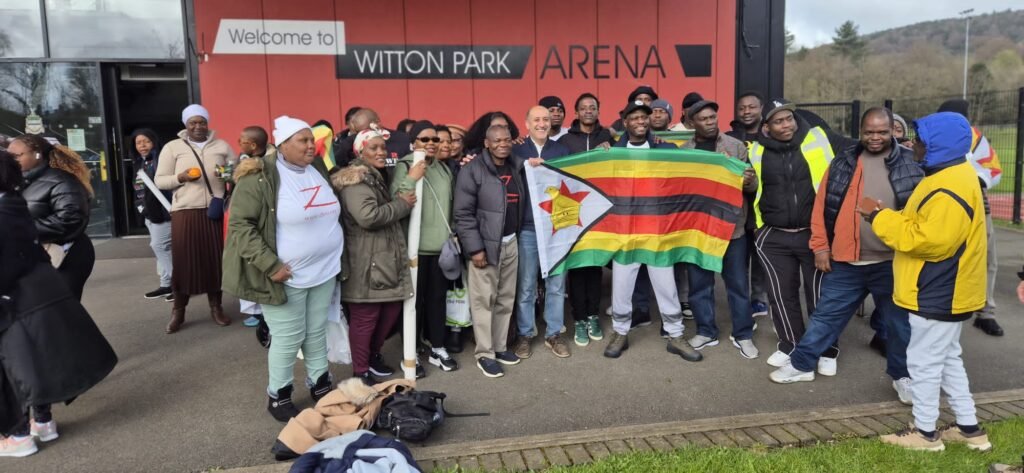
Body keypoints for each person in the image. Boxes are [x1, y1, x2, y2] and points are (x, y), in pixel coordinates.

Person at [768, 108, 923, 404]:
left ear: (893, 131)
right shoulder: (843, 161)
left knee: (898, 324)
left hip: (892, 262)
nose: (875, 137)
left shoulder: (911, 163)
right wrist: (821, 247)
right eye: (869, 132)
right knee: (826, 317)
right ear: (860, 131)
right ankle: (802, 365)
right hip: (847, 260)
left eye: (882, 132)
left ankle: (903, 377)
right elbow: (821, 206)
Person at [872, 112, 991, 452]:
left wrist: (880, 219)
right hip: (947, 288)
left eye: (920, 140)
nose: (913, 144)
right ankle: (969, 430)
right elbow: (923, 224)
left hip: (938, 289)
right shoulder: (952, 175)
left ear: (938, 146)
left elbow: (929, 241)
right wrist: (887, 217)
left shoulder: (949, 186)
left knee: (923, 363)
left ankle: (925, 433)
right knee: (949, 359)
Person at [222, 116, 343, 421]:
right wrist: (270, 264)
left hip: (324, 270)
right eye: (303, 140)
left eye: (311, 140)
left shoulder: (316, 168)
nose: (311, 146)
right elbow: (240, 226)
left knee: (317, 331)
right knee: (288, 338)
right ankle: (279, 394)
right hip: (285, 276)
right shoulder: (259, 176)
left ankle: (320, 384)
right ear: (282, 145)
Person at [0, 150, 117, 458]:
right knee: (33, 360)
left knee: (13, 368)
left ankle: (17, 436)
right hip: (36, 291)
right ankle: (42, 422)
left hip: (14, 300)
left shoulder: (6, 209)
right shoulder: (13, 203)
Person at [603, 100, 701, 362]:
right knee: (621, 286)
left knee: (666, 285)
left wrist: (719, 161)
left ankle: (675, 335)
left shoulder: (665, 149)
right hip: (625, 231)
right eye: (634, 118)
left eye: (643, 117)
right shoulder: (612, 152)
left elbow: (692, 170)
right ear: (625, 122)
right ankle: (620, 332)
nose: (640, 121)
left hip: (657, 231)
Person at [749, 99, 842, 370]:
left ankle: (826, 349)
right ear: (767, 127)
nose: (786, 125)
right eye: (778, 121)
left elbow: (856, 152)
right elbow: (751, 186)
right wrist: (759, 229)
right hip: (773, 235)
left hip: (814, 234)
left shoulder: (819, 138)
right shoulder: (756, 150)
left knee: (820, 296)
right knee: (781, 294)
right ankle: (790, 344)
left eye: (789, 118)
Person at [334, 127, 423, 384]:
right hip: (365, 261)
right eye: (373, 147)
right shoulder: (356, 180)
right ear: (360, 152)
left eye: (383, 147)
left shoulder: (376, 176)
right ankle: (360, 371)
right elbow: (368, 217)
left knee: (390, 310)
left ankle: (372, 356)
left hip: (381, 259)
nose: (381, 152)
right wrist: (402, 205)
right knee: (366, 318)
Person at [679, 100, 759, 359]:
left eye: (713, 117)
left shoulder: (736, 146)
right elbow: (681, 189)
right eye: (703, 119)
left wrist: (747, 180)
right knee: (700, 285)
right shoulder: (685, 151)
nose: (710, 122)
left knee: (737, 284)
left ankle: (743, 334)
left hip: (731, 227)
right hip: (698, 229)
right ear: (692, 123)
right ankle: (706, 331)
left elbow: (753, 185)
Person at [155, 104, 236, 333]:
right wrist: (180, 177)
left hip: (214, 210)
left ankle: (216, 307)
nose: (198, 126)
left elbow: (236, 171)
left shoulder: (222, 146)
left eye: (202, 122)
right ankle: (178, 311)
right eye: (193, 122)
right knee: (184, 262)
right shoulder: (173, 147)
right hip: (185, 211)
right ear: (186, 124)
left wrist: (228, 174)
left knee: (214, 261)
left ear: (207, 123)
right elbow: (160, 180)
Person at [454, 125, 524, 378]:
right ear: (487, 143)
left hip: (511, 241)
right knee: (484, 301)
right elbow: (463, 214)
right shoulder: (472, 170)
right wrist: (475, 248)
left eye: (507, 140)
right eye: (497, 141)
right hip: (485, 246)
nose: (503, 144)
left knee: (506, 298)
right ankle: (485, 353)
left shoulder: (516, 166)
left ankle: (500, 346)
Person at [391, 121, 458, 373]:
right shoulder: (405, 165)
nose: (431, 143)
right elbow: (396, 200)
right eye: (424, 139)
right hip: (414, 250)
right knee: (413, 304)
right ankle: (412, 351)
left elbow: (450, 204)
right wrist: (411, 178)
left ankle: (438, 347)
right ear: (414, 142)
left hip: (441, 249)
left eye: (435, 139)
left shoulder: (442, 168)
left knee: (438, 300)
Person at [510, 106, 574, 358]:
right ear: (526, 124)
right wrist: (524, 165)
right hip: (527, 228)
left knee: (556, 284)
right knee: (526, 285)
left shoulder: (561, 151)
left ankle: (554, 334)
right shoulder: (516, 151)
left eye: (546, 119)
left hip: (556, 229)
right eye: (536, 119)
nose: (542, 123)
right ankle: (525, 334)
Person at [937, 99, 1004, 337]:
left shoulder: (976, 138)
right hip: (940, 203)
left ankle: (986, 312)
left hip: (977, 204)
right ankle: (933, 305)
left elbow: (993, 170)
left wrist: (974, 179)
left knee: (987, 258)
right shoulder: (932, 136)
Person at [8, 134, 94, 302]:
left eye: (17, 156)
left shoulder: (62, 181)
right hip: (36, 256)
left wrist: (21, 228)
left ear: (37, 154)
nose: (11, 160)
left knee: (61, 310)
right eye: (8, 156)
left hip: (65, 256)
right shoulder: (19, 182)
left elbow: (70, 221)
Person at [726, 91, 771, 319]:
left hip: (766, 205)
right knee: (739, 258)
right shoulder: (729, 138)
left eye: (751, 107)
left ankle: (759, 298)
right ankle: (741, 300)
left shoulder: (771, 135)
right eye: (742, 108)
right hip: (738, 207)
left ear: (761, 108)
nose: (746, 112)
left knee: (761, 255)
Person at [236, 126, 276, 329]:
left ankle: (265, 316)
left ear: (252, 145)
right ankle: (256, 310)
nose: (238, 144)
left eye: (241, 141)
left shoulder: (272, 164)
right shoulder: (242, 160)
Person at [130, 129, 174, 302]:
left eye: (146, 141)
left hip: (162, 212)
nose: (142, 145)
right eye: (138, 142)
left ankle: (180, 285)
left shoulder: (160, 160)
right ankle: (166, 285)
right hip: (148, 213)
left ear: (154, 142)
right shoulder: (139, 162)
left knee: (159, 246)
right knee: (163, 249)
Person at [333, 108, 412, 172]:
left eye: (365, 131)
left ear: (377, 123)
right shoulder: (353, 144)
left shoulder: (402, 140)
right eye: (358, 132)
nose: (362, 135)